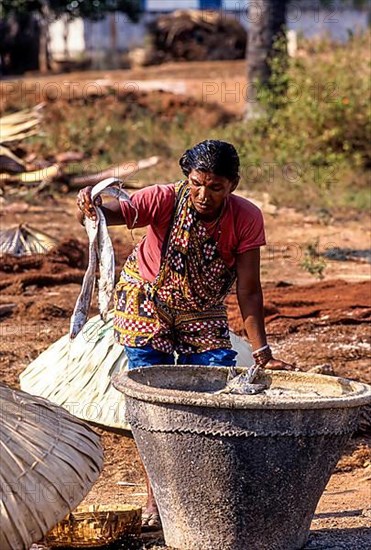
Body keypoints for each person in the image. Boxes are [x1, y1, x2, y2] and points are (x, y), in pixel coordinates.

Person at [76, 139, 293, 530]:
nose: (203, 195)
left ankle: (208, 493)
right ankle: (155, 498)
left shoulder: (246, 218)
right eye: (196, 183)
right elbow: (114, 212)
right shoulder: (162, 199)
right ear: (186, 178)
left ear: (233, 185)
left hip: (202, 309)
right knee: (154, 399)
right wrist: (90, 208)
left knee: (214, 393)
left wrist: (261, 349)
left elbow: (249, 289)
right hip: (146, 301)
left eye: (216, 188)